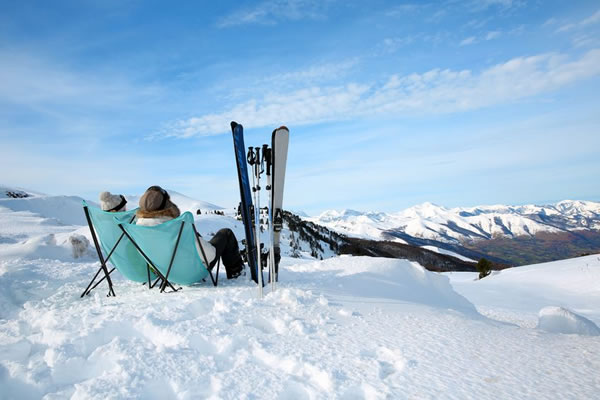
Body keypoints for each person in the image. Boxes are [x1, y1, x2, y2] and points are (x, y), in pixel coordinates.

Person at [135, 185, 244, 279]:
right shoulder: (176, 226)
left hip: (163, 272)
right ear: (166, 205)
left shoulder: (138, 227)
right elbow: (209, 255)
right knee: (225, 233)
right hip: (189, 273)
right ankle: (237, 273)